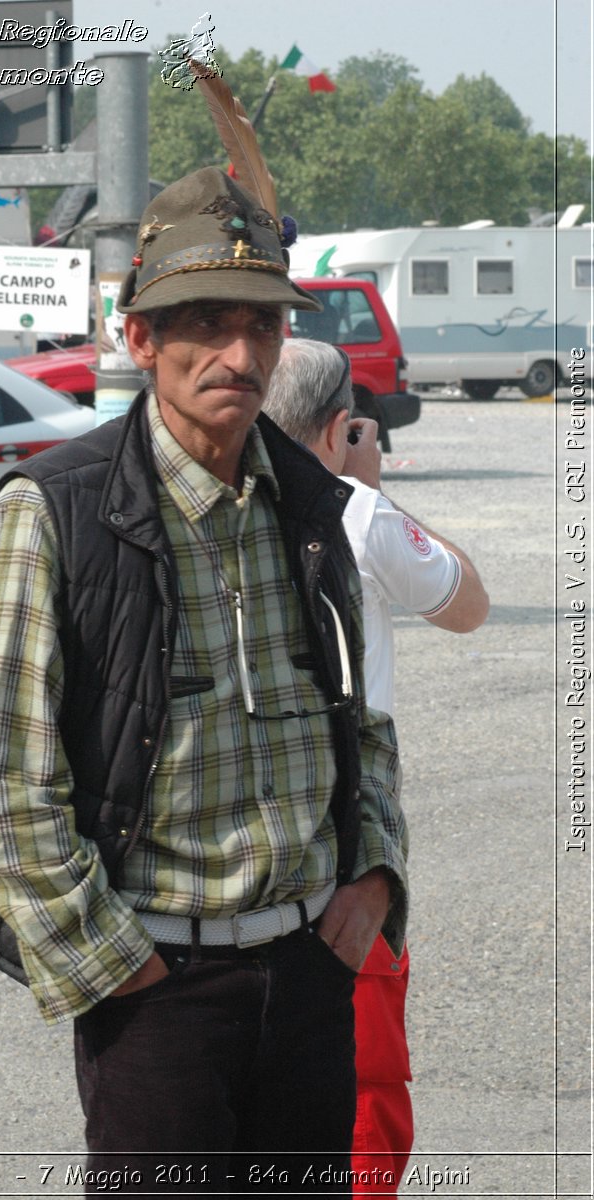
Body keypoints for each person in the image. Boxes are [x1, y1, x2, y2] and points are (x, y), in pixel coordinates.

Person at [0, 168, 409, 1195]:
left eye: (263, 325)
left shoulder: (310, 501)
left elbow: (361, 719)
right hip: (157, 994)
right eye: (204, 322)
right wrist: (116, 970)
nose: (238, 355)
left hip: (312, 977)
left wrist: (373, 876)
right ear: (139, 338)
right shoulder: (53, 512)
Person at [264, 338, 489, 1194]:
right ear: (337, 424)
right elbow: (467, 603)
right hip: (345, 829)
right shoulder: (354, 510)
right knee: (363, 1079)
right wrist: (375, 487)